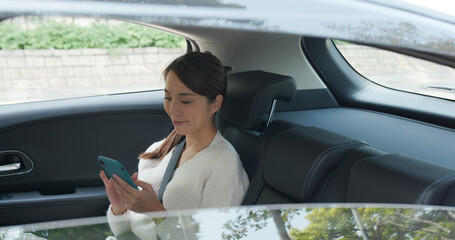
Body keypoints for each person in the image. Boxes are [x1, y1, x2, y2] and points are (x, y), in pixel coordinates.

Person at [100, 51, 249, 238]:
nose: (173, 110)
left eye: (185, 101)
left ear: (216, 103)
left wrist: (156, 212)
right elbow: (128, 233)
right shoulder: (159, 149)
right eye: (168, 98)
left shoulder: (223, 167)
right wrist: (120, 208)